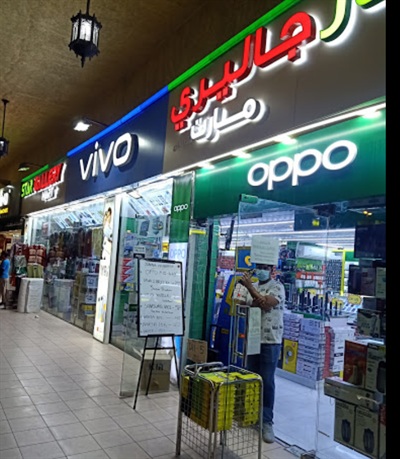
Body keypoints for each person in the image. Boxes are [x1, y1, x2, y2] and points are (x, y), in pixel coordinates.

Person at [237, 262, 286, 443]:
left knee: (266, 381)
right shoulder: (253, 286)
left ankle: (266, 422)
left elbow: (266, 305)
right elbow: (241, 304)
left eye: (265, 267)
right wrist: (247, 290)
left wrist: (251, 290)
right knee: (251, 377)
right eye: (259, 267)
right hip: (253, 339)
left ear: (272, 270)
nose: (261, 270)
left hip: (270, 341)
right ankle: (251, 415)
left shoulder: (278, 287)